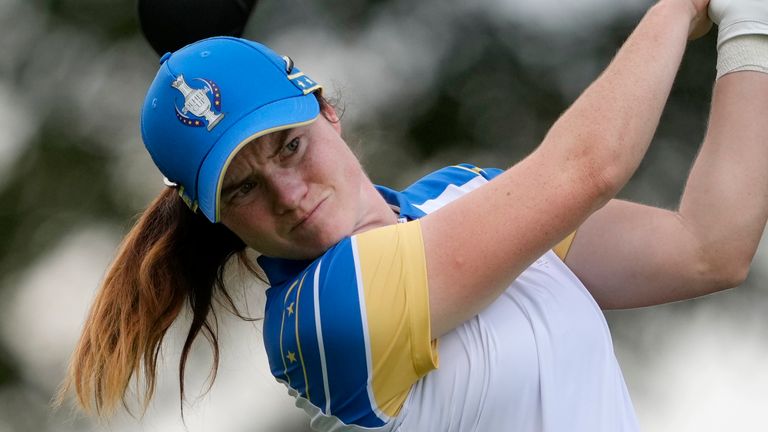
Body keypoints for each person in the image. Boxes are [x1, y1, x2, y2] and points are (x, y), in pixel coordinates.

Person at [58, 0, 768, 430]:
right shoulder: (325, 315)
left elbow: (708, 248)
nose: (287, 192)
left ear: (327, 109)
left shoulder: (460, 196)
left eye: (290, 145)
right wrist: (677, 8)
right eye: (242, 189)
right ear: (217, 218)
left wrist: (750, 31)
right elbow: (588, 167)